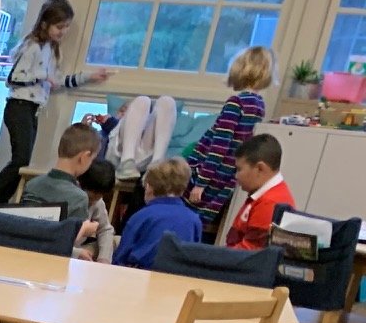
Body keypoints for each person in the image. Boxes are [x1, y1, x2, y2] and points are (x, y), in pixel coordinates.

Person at [0, 0, 110, 208]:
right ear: (45, 24)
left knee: (23, 161)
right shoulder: (32, 47)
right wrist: (41, 77)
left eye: (66, 27)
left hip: (32, 109)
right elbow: (13, 79)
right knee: (20, 160)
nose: (63, 31)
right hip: (18, 106)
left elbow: (59, 82)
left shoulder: (51, 50)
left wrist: (89, 77)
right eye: (60, 26)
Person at [184, 46, 272, 228]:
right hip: (228, 177)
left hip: (210, 175)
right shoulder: (259, 105)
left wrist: (201, 183)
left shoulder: (236, 102)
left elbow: (219, 147)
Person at [113, 158, 203, 270]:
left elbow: (121, 257)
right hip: (178, 279)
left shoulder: (141, 216)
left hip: (141, 276)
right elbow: (195, 256)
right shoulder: (194, 219)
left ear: (149, 187)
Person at [225, 132, 295, 250]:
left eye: (239, 169)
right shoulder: (260, 194)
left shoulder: (270, 203)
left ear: (260, 168)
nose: (236, 176)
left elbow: (248, 255)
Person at [20, 122, 101, 220]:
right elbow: (73, 234)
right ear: (84, 157)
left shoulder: (32, 185)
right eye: (92, 159)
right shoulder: (79, 198)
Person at [72, 157, 116, 261]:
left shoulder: (98, 202)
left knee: (115, 240)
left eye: (99, 197)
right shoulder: (71, 198)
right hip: (64, 249)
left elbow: (105, 229)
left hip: (80, 247)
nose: (94, 201)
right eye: (91, 197)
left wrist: (104, 258)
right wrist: (76, 252)